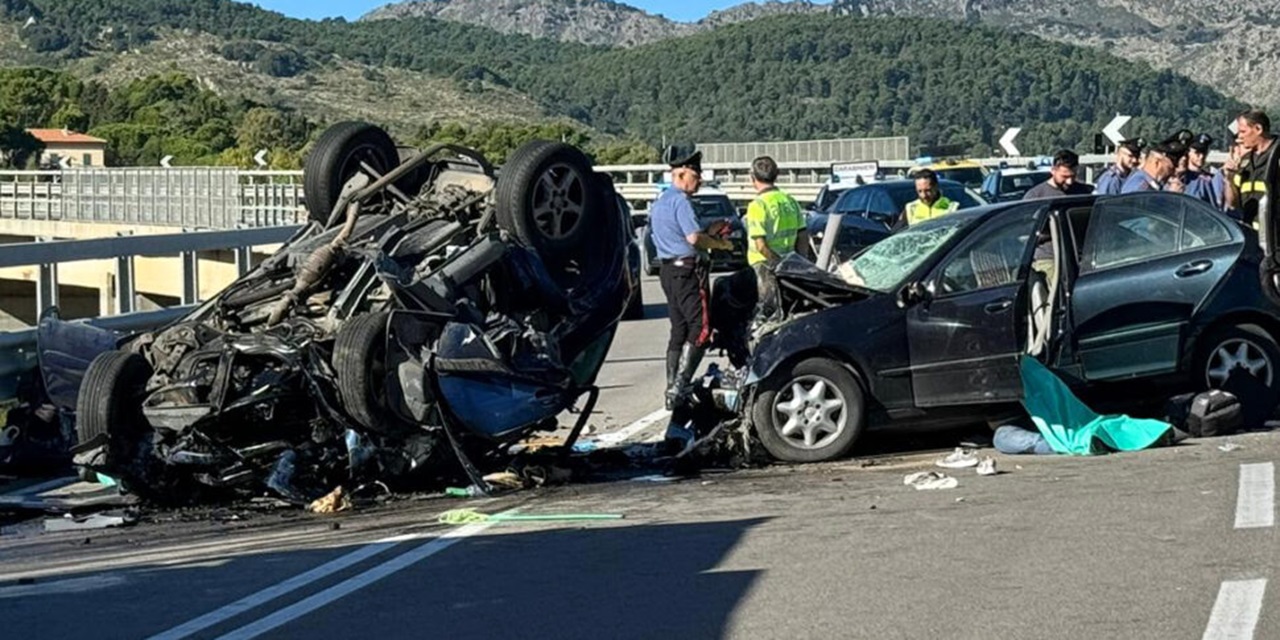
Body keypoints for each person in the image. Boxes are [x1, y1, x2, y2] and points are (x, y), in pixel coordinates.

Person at [650, 144, 733, 412]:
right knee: (701, 329)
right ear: (683, 174)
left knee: (679, 329)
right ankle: (680, 386)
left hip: (668, 270)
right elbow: (693, 238)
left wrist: (709, 230)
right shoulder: (681, 201)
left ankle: (672, 386)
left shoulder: (660, 202)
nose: (700, 181)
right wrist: (719, 244)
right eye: (697, 176)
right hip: (688, 270)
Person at [744, 155, 809, 315]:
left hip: (764, 267)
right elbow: (802, 236)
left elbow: (761, 246)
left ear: (753, 178)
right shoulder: (790, 201)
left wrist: (777, 264)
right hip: (790, 266)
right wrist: (800, 263)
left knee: (768, 314)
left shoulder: (758, 205)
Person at [1223, 109, 1280, 230]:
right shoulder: (1244, 162)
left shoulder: (1277, 155)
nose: (1240, 136)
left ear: (1258, 129)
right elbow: (1233, 204)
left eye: (1243, 131)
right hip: (1253, 236)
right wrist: (1229, 178)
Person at [1175, 133, 1223, 208]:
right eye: (1197, 153)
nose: (1201, 156)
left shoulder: (1207, 180)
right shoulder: (1179, 177)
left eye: (1204, 152)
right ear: (1188, 152)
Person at [1023, 149, 1092, 199]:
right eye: (1065, 176)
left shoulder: (1084, 192)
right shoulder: (1035, 196)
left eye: (1073, 176)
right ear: (1053, 171)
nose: (1069, 181)